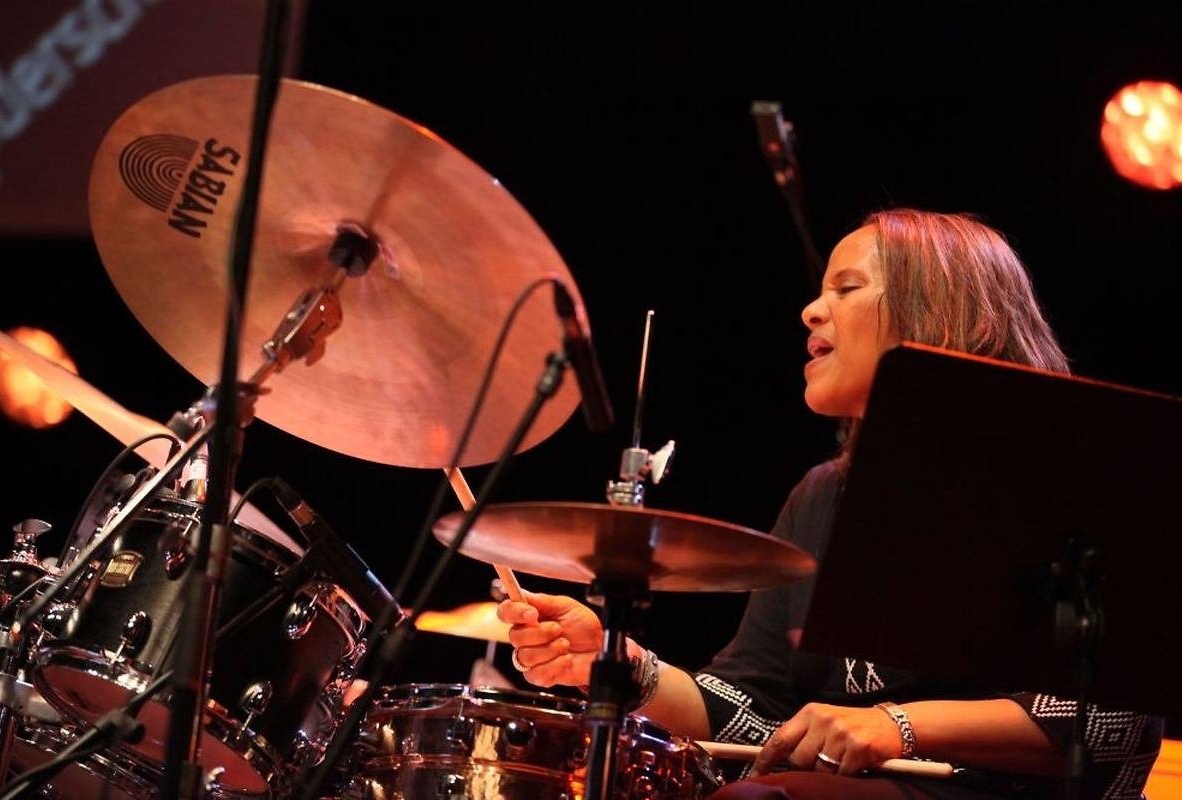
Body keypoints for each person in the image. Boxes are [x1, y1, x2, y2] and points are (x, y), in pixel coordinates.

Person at [497, 208, 1163, 799]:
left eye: (847, 288)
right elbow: (759, 716)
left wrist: (896, 726)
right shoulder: (820, 496)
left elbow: (1118, 718)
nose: (811, 312)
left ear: (941, 312)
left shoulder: (1060, 475)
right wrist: (619, 663)